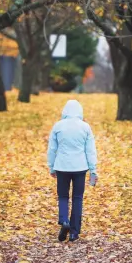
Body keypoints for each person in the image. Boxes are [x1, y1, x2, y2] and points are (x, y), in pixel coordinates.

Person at [47, 99, 98, 242]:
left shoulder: (58, 126)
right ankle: (74, 232)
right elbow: (90, 150)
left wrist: (51, 167)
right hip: (80, 168)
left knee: (63, 196)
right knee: (77, 198)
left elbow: (52, 149)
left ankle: (64, 221)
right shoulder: (85, 127)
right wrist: (93, 169)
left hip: (62, 167)